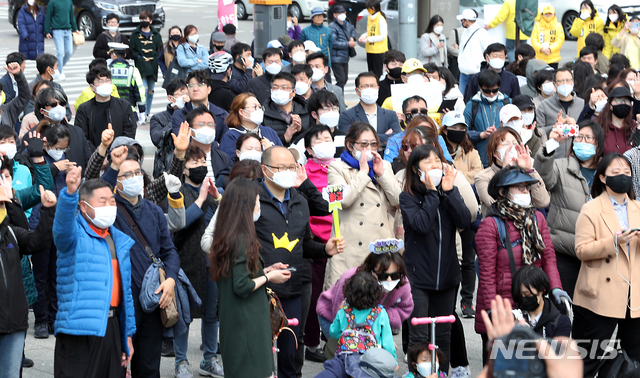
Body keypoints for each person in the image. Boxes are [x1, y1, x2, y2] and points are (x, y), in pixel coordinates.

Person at [257, 146, 344, 378]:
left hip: (293, 287)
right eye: (280, 168)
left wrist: (325, 249)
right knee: (260, 355)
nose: (288, 172)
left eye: (291, 167)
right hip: (259, 289)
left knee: (291, 353)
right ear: (265, 170)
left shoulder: (300, 200)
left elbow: (304, 245)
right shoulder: (252, 199)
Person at [99, 148, 180, 377]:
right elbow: (98, 192)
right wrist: (113, 168)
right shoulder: (108, 211)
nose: (135, 177)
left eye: (137, 172)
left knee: (148, 366)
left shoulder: (154, 211)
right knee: (118, 366)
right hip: (121, 302)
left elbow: (170, 251)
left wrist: (171, 279)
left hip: (152, 299)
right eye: (127, 174)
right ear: (116, 181)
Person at [475, 165, 567, 365]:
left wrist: (556, 287)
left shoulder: (537, 218)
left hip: (532, 304)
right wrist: (494, 309)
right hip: (503, 305)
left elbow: (548, 257)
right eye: (520, 188)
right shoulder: (490, 225)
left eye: (527, 187)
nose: (526, 192)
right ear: (502, 191)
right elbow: (487, 274)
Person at [51, 166, 136, 377]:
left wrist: (128, 335)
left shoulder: (118, 240)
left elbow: (126, 293)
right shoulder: (73, 235)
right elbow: (61, 228)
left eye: (112, 201)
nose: (109, 206)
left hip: (113, 328)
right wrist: (70, 193)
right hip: (79, 330)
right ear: (84, 206)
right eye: (102, 201)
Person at [209, 177, 291, 378]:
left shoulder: (227, 234)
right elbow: (242, 285)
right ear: (245, 206)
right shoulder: (242, 238)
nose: (259, 206)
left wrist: (266, 270)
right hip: (247, 324)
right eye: (257, 201)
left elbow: (239, 274)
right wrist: (270, 276)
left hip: (235, 322)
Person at [400, 143, 471, 370]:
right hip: (418, 277)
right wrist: (432, 193)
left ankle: (441, 375)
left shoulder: (449, 192)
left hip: (447, 277)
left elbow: (464, 221)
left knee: (443, 336)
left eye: (437, 161)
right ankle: (417, 375)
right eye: (428, 162)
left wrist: (449, 192)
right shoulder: (408, 197)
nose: (434, 166)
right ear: (416, 169)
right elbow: (420, 225)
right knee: (419, 336)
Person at [572, 153, 640, 378]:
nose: (623, 177)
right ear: (602, 177)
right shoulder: (591, 209)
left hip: (634, 297)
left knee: (635, 359)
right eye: (616, 173)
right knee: (589, 358)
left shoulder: (637, 207)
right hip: (600, 295)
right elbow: (581, 250)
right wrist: (613, 242)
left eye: (627, 173)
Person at [534, 119, 603, 299]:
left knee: (588, 314)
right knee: (562, 310)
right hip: (562, 252)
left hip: (595, 254)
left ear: (599, 144)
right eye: (579, 137)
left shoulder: (605, 173)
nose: (583, 141)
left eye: (589, 138)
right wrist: (552, 144)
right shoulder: (560, 166)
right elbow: (542, 176)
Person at [325, 122, 400, 288]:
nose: (369, 149)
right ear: (350, 145)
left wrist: (381, 175)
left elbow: (398, 200)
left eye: (373, 144)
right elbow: (343, 200)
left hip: (380, 246)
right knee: (346, 301)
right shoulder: (336, 167)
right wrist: (363, 173)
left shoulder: (384, 166)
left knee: (379, 303)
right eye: (363, 144)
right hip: (350, 249)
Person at [171, 144, 223, 378]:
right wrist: (201, 199)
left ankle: (210, 359)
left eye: (203, 163)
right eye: (194, 163)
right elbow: (179, 223)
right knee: (185, 315)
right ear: (184, 169)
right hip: (185, 261)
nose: (200, 167)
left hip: (211, 262)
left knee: (212, 314)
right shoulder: (177, 192)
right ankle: (180, 362)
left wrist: (217, 198)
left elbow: (228, 217)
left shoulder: (212, 191)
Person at [0, 170, 56, 377]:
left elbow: (38, 242)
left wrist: (48, 211)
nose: (1, 209)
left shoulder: (11, 233)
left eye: (2, 205)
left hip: (14, 324)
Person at [317, 245, 413, 357]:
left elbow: (406, 307)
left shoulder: (401, 282)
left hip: (371, 321)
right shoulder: (352, 278)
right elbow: (338, 315)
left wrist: (384, 319)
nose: (389, 280)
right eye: (383, 275)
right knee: (349, 354)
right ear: (371, 270)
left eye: (395, 275)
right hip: (333, 317)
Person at [317, 271, 396, 377]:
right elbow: (388, 344)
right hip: (370, 363)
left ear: (349, 293)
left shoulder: (344, 312)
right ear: (376, 293)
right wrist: (393, 362)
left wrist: (339, 312)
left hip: (344, 360)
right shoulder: (380, 313)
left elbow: (334, 333)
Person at [475, 127, 550, 217]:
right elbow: (498, 206)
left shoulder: (524, 173)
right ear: (494, 152)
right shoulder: (483, 177)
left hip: (526, 227)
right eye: (505, 144)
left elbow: (543, 202)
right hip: (499, 229)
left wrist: (529, 169)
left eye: (514, 143)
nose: (511, 147)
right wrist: (506, 172)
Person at [75, 66, 137, 149]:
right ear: (92, 87)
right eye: (100, 81)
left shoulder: (124, 105)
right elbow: (81, 136)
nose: (105, 84)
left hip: (119, 154)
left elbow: (130, 131)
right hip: (94, 157)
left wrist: (118, 151)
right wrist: (98, 154)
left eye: (107, 80)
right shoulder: (84, 109)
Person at [170, 69, 229, 147]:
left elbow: (225, 146)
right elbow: (182, 143)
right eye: (191, 85)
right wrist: (214, 144)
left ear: (209, 89)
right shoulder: (180, 114)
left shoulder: (222, 115)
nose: (195, 89)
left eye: (200, 84)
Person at [464, 69, 511, 166]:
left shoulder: (507, 102)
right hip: (480, 159)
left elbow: (516, 128)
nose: (491, 94)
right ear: (480, 88)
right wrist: (481, 134)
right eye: (487, 91)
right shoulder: (472, 105)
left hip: (505, 157)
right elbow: (463, 132)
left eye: (495, 90)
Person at [536, 68, 585, 158]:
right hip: (553, 158)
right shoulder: (544, 105)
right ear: (554, 85)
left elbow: (589, 130)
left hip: (577, 157)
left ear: (573, 82)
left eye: (568, 80)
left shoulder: (582, 104)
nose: (565, 84)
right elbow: (538, 133)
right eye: (561, 81)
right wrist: (553, 127)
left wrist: (576, 126)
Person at [337, 72, 400, 143]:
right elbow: (349, 139)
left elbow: (397, 137)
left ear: (378, 88)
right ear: (357, 91)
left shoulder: (391, 115)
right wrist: (384, 137)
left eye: (373, 86)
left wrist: (363, 138)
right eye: (365, 86)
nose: (370, 89)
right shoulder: (347, 115)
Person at [219, 92, 282, 159]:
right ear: (241, 112)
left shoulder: (269, 131)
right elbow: (230, 163)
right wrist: (267, 154)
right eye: (255, 107)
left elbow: (283, 155)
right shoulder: (232, 136)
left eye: (260, 107)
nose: (259, 110)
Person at [150, 78, 188, 178]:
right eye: (181, 93)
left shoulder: (193, 114)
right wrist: (177, 117)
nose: (184, 97)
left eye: (187, 94)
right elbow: (156, 139)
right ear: (170, 98)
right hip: (167, 167)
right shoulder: (158, 118)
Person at [263, 72, 310, 146]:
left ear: (294, 92)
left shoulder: (306, 110)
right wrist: (284, 138)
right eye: (275, 87)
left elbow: (314, 138)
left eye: (284, 88)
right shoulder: (263, 113)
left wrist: (301, 129)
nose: (279, 91)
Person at [129, 11, 161, 120]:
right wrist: (138, 57)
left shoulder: (156, 34)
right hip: (141, 66)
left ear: (151, 21)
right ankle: (143, 112)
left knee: (151, 90)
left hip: (153, 66)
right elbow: (131, 49)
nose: (144, 22)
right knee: (143, 89)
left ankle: (147, 112)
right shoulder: (135, 34)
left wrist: (155, 57)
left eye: (146, 19)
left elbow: (159, 49)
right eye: (142, 19)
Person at [108, 43, 147, 121]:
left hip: (110, 111)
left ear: (114, 54)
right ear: (125, 55)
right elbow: (140, 92)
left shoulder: (107, 70)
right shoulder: (133, 70)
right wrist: (142, 110)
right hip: (129, 110)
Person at [44, 0, 80, 80]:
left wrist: (75, 28)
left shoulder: (69, 2)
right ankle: (60, 72)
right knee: (60, 52)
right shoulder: (52, 2)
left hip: (68, 30)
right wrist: (47, 31)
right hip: (57, 30)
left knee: (69, 52)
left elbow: (71, 16)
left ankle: (57, 67)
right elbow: (48, 16)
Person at [457, 8, 490, 95]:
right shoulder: (465, 32)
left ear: (467, 21)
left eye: (462, 20)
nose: (461, 22)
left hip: (476, 73)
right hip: (463, 72)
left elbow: (487, 52)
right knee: (462, 99)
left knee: (475, 100)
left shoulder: (482, 33)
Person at [598, 86, 635, 155]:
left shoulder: (634, 128)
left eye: (627, 101)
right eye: (618, 100)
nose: (623, 103)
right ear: (610, 105)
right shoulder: (600, 128)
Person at [359, 0, 388, 79]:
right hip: (370, 49)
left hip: (378, 51)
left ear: (373, 8)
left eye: (368, 8)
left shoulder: (381, 19)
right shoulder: (370, 18)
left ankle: (378, 89)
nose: (367, 10)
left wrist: (368, 39)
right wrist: (363, 36)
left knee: (377, 74)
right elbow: (369, 32)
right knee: (371, 73)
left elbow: (383, 36)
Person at [329, 5, 355, 90]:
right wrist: (348, 44)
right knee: (341, 80)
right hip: (336, 58)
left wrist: (352, 37)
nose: (342, 14)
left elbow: (352, 30)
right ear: (335, 15)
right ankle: (337, 97)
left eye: (343, 12)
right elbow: (334, 43)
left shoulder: (348, 25)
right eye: (340, 13)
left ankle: (338, 97)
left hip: (345, 57)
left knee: (344, 79)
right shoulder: (332, 26)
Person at [301, 8, 333, 76]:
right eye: (317, 15)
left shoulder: (328, 31)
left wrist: (329, 64)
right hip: (310, 63)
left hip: (324, 63)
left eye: (321, 16)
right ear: (312, 17)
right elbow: (301, 48)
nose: (319, 17)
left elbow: (330, 48)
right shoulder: (305, 31)